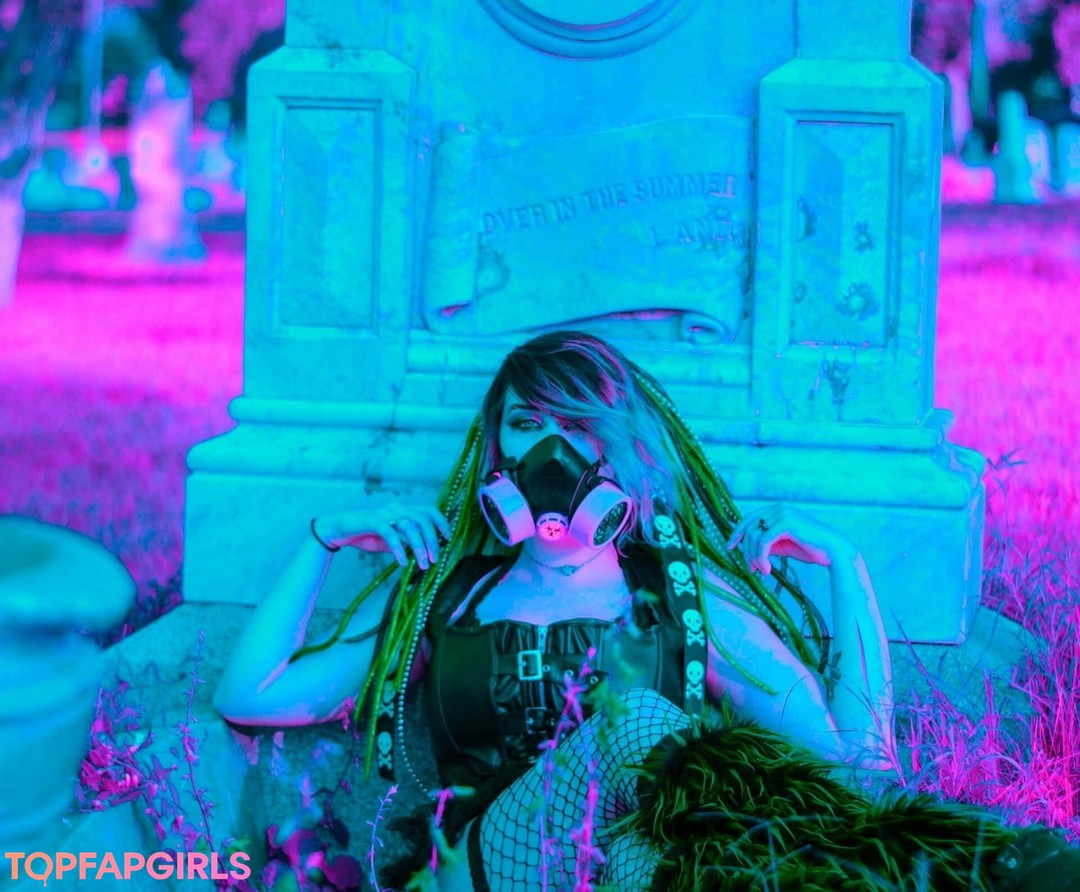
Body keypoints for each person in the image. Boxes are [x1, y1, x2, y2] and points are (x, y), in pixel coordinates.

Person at [215, 331, 1078, 891]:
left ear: (622, 446)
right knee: (635, 722)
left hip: (626, 867)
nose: (551, 450)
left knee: (649, 856)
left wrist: (848, 570)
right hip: (476, 870)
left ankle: (977, 869)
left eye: (579, 425)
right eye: (526, 424)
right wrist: (323, 541)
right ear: (494, 449)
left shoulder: (683, 604)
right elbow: (251, 693)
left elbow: (854, 762)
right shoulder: (444, 598)